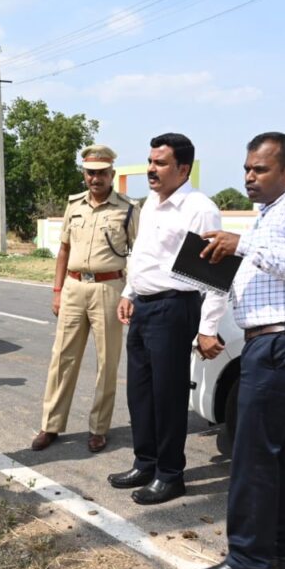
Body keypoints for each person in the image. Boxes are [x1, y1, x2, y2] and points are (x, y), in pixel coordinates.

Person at [190, 132, 285, 569]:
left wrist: (244, 247)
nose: (249, 177)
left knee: (252, 455)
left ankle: (247, 563)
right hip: (273, 344)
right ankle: (275, 548)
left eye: (260, 169)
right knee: (284, 452)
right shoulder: (268, 216)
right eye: (247, 168)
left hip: (281, 345)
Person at [108, 133, 226, 505]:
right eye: (150, 161)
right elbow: (145, 257)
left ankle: (170, 474)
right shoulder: (151, 205)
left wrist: (207, 328)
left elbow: (214, 276)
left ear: (183, 168)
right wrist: (129, 293)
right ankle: (146, 463)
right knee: (140, 392)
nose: (151, 169)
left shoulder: (198, 208)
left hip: (175, 308)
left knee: (168, 395)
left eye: (160, 163)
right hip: (143, 307)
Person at [32, 144, 139, 454]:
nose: (96, 179)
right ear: (84, 175)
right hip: (74, 288)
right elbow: (63, 249)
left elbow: (139, 254)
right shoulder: (74, 206)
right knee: (62, 358)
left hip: (109, 289)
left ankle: (99, 428)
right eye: (91, 173)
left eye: (102, 173)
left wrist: (129, 294)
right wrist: (56, 290)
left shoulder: (128, 209)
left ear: (112, 175)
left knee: (107, 362)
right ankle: (51, 424)